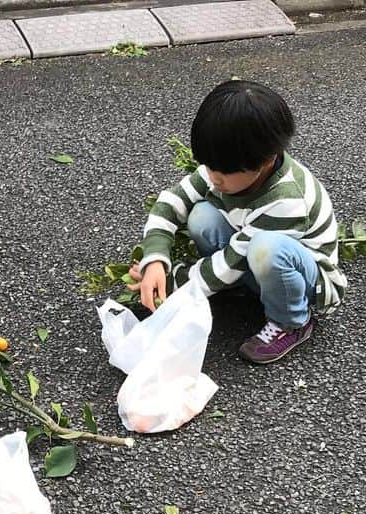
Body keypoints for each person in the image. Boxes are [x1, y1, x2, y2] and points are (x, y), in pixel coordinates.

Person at [128, 80, 346, 364]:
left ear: (266, 161)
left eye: (224, 172)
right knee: (201, 215)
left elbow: (235, 257)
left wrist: (174, 286)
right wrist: (155, 259)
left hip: (303, 281)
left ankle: (292, 321)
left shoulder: (287, 201)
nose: (214, 178)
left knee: (266, 249)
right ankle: (238, 284)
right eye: (208, 167)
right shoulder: (226, 164)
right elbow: (172, 202)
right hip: (250, 255)